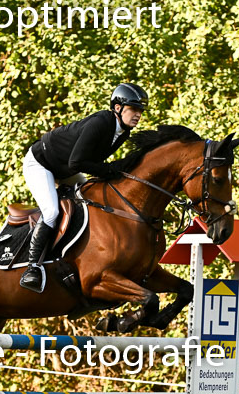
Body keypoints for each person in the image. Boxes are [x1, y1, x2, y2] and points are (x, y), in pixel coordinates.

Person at [19, 83, 148, 292]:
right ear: (118, 108)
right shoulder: (100, 123)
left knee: (91, 200)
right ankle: (32, 267)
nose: (138, 115)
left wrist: (114, 169)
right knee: (51, 212)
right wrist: (109, 170)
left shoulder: (123, 132)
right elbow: (77, 163)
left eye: (140, 111)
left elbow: (90, 163)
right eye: (134, 109)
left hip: (65, 169)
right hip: (41, 163)